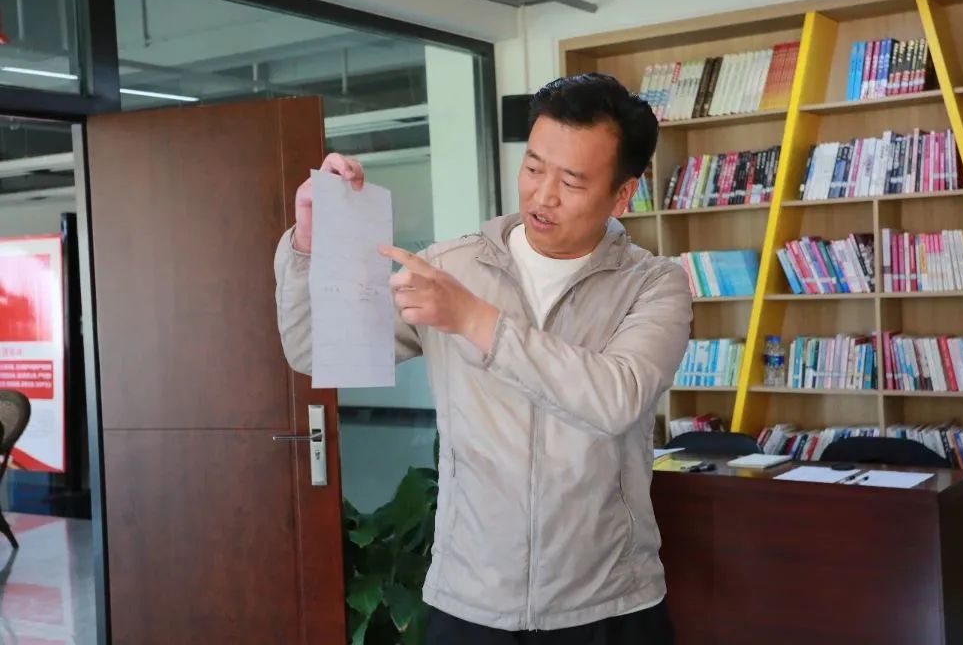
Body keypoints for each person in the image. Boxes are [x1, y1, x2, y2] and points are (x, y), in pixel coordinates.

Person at [274, 73, 693, 644]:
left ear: (622, 194)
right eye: (534, 168)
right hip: (471, 599)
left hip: (608, 601)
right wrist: (308, 245)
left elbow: (617, 398)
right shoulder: (450, 269)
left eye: (571, 181)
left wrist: (473, 318)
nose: (543, 196)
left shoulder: (654, 285)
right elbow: (314, 350)